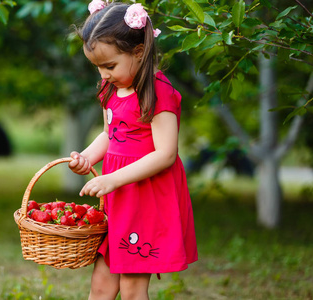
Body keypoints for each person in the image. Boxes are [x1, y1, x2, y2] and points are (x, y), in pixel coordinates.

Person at [68, 1, 198, 299]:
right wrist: (87, 157)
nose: (103, 75)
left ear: (138, 52)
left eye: (110, 66)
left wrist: (113, 179)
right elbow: (109, 135)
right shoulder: (110, 89)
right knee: (101, 283)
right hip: (119, 196)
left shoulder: (158, 92)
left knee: (131, 287)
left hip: (144, 196)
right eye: (98, 67)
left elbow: (165, 154)